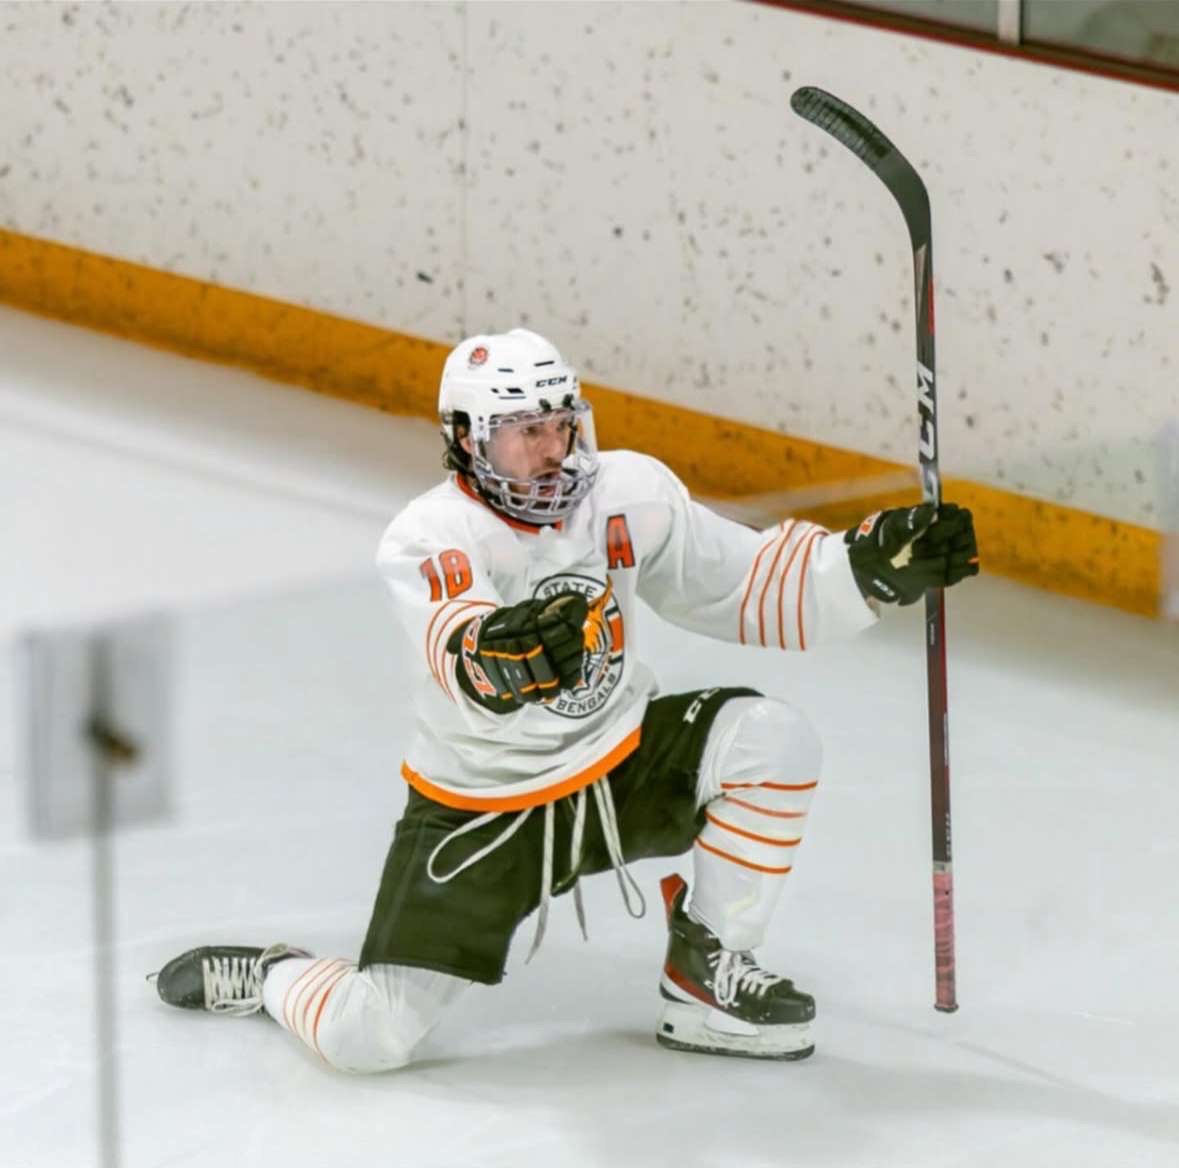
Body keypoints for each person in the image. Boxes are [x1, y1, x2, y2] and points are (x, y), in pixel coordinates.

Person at [152, 328, 978, 1070]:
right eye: (524, 433)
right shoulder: (428, 536)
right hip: (484, 805)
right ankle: (276, 976)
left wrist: (867, 568)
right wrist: (500, 656)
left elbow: (741, 581)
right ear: (469, 442)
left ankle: (706, 973)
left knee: (770, 738)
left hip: (617, 767)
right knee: (369, 1039)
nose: (552, 450)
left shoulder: (624, 493)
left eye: (559, 424)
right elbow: (458, 645)